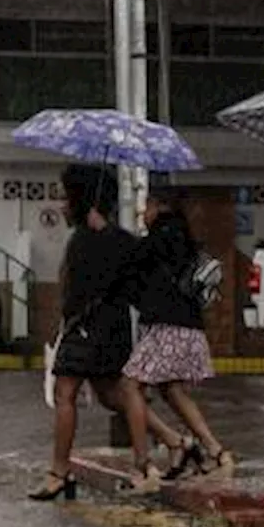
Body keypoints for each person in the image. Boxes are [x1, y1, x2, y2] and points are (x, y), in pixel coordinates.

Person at [30, 164, 161, 501]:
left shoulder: (83, 242)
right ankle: (174, 441)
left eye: (65, 196)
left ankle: (59, 472)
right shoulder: (123, 241)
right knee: (113, 395)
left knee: (65, 393)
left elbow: (70, 293)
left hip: (85, 329)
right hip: (115, 329)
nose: (61, 204)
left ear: (81, 198)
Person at [121, 188, 234, 480]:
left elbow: (133, 265)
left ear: (159, 207)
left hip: (167, 328)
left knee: (130, 386)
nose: (142, 214)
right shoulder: (181, 237)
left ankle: (145, 461)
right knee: (171, 390)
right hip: (185, 327)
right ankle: (214, 451)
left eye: (146, 206)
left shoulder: (163, 237)